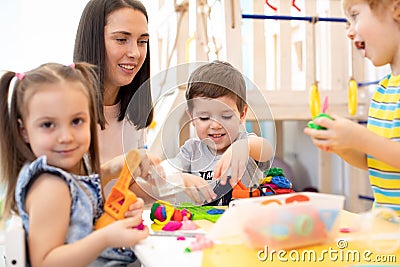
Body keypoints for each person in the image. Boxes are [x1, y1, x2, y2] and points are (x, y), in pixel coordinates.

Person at [0, 62, 148, 266]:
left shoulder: (63, 175)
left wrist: (117, 216)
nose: (66, 137)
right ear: (23, 130)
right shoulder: (51, 187)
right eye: (48, 125)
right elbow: (45, 262)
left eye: (77, 121)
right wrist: (106, 237)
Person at [304, 0, 400, 215]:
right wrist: (344, 146)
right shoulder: (384, 89)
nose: (348, 31)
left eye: (355, 16)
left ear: (396, 9)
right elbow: (377, 158)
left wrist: (360, 138)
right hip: (387, 228)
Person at [73, 0, 161, 203]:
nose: (135, 53)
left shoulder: (133, 111)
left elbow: (124, 186)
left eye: (142, 41)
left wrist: (176, 187)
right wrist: (111, 169)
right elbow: (64, 197)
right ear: (93, 40)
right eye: (122, 39)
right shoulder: (67, 110)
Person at [168, 60, 273, 205]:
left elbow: (267, 150)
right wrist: (179, 179)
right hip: (203, 224)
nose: (216, 125)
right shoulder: (191, 151)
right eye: (204, 117)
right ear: (192, 117)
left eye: (226, 116)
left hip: (242, 222)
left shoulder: (245, 142)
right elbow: (166, 174)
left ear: (242, 114)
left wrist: (244, 146)